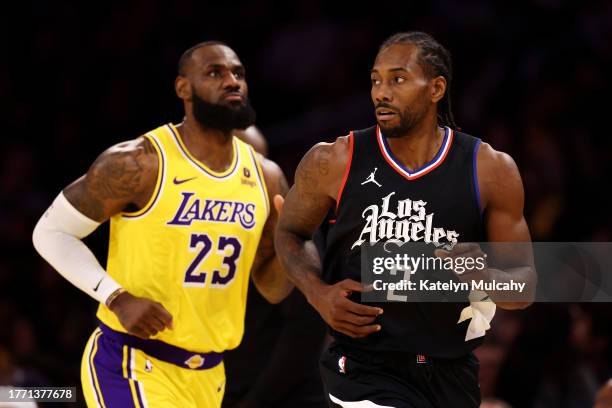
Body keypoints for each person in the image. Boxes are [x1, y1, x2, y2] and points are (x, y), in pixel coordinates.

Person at [275, 31, 536, 408]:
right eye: (375, 80)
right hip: (363, 369)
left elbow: (523, 289)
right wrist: (317, 293)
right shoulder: (332, 160)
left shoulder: (490, 170)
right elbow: (290, 233)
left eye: (397, 79)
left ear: (436, 88)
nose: (381, 92)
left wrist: (483, 277)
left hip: (452, 372)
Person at [32, 41, 293, 407]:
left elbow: (272, 288)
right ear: (183, 88)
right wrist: (116, 297)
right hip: (130, 363)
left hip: (208, 376)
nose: (232, 81)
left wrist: (291, 239)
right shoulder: (140, 163)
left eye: (238, 73)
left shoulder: (266, 178)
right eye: (215, 73)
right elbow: (51, 232)